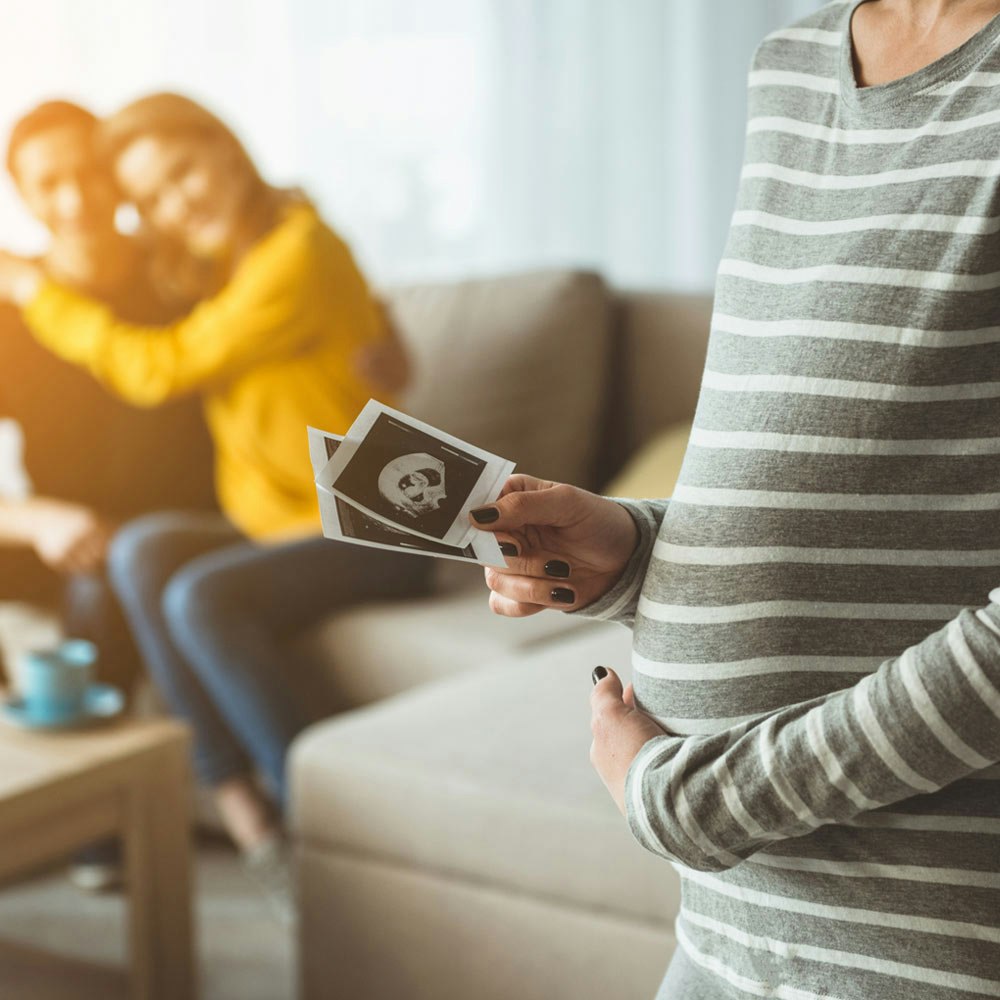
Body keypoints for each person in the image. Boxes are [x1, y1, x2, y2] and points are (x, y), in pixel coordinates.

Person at [473, 1, 1000, 996]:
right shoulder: (792, 65)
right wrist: (636, 551)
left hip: (923, 941)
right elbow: (852, 449)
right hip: (726, 926)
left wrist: (714, 800)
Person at [0, 93, 431, 911]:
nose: (171, 204)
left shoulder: (257, 260)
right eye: (153, 196)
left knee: (195, 593)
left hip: (366, 514)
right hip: (261, 519)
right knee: (138, 553)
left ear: (226, 150)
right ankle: (242, 815)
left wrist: (37, 291)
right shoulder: (205, 262)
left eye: (180, 175)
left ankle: (325, 828)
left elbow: (161, 366)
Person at [0, 100, 217, 891]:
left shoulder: (184, 272)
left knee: (110, 565)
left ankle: (99, 821)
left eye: (91, 172)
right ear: (21, 196)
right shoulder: (11, 314)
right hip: (66, 529)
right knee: (87, 552)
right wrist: (37, 518)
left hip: (181, 530)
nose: (76, 199)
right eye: (49, 182)